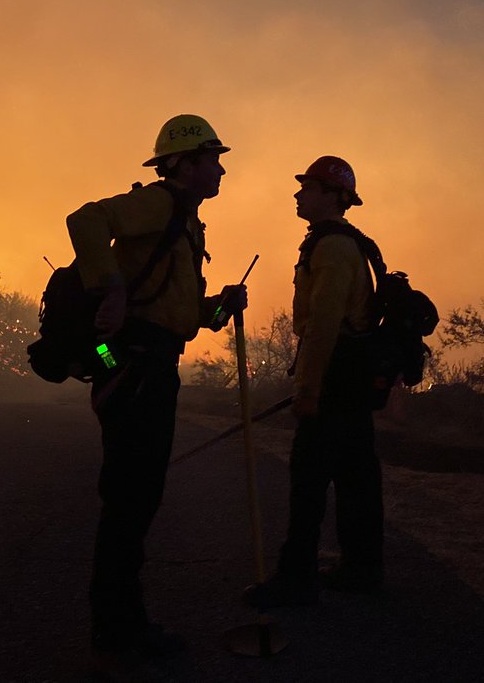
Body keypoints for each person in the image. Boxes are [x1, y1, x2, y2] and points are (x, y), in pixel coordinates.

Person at [67, 113, 247, 676]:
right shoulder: (160, 203)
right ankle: (116, 633)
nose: (219, 168)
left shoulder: (189, 224)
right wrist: (111, 288)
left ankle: (123, 623)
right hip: (134, 366)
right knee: (129, 500)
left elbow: (183, 312)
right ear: (183, 164)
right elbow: (85, 220)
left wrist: (218, 308)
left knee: (137, 499)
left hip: (154, 363)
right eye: (212, 158)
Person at [245, 155, 384, 609]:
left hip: (334, 378)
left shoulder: (332, 247)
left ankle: (296, 577)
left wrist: (307, 390)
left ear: (332, 196)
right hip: (351, 379)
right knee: (355, 477)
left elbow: (323, 324)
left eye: (307, 187)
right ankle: (362, 570)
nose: (298, 194)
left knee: (308, 479)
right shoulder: (339, 244)